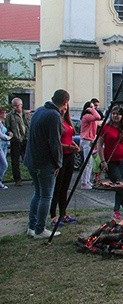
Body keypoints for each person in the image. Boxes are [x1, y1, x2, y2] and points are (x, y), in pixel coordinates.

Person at [23, 89, 70, 239]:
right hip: (44, 163)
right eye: (66, 105)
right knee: (46, 196)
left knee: (37, 193)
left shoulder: (39, 110)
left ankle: (32, 227)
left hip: (31, 159)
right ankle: (40, 230)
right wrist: (58, 164)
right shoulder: (54, 115)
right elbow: (54, 143)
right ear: (65, 102)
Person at [97, 106, 123, 220]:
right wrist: (102, 160)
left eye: (118, 114)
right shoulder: (106, 127)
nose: (116, 116)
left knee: (122, 186)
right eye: (113, 113)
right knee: (118, 184)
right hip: (110, 160)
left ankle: (117, 210)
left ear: (122, 116)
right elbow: (99, 145)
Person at [49, 105, 79, 226]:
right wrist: (69, 147)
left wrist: (74, 146)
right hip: (61, 156)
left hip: (70, 156)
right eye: (63, 108)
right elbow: (55, 142)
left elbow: (69, 137)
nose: (64, 110)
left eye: (66, 108)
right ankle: (53, 216)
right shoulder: (56, 121)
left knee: (65, 187)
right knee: (57, 187)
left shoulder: (67, 121)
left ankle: (63, 213)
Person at [6, 97, 31, 186]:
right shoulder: (10, 115)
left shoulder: (26, 114)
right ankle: (18, 180)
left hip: (26, 139)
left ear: (21, 105)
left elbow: (29, 125)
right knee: (15, 161)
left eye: (17, 106)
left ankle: (33, 177)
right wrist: (9, 132)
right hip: (16, 140)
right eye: (14, 106)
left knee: (29, 159)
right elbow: (7, 127)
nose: (16, 108)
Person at [79, 101, 102, 189]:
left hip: (90, 140)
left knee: (90, 163)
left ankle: (87, 181)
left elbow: (99, 120)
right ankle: (84, 182)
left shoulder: (90, 118)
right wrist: (91, 109)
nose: (94, 108)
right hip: (87, 141)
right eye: (92, 107)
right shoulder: (87, 116)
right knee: (87, 163)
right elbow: (98, 116)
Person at [0, 108, 13, 189]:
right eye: (4, 113)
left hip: (3, 145)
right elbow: (1, 135)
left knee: (2, 164)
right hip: (1, 144)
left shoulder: (2, 123)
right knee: (4, 164)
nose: (5, 114)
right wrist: (9, 137)